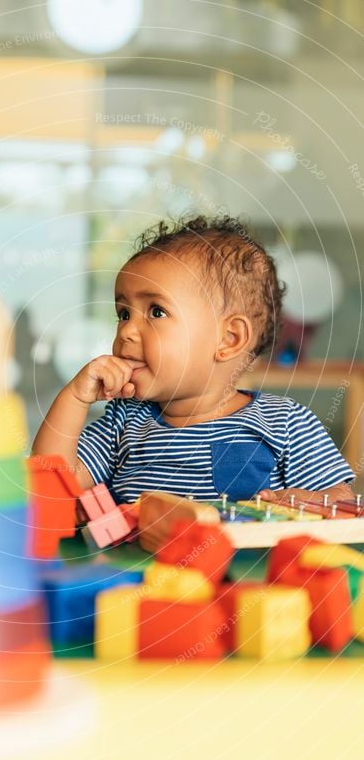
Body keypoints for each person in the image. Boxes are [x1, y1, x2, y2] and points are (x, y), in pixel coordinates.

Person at [32, 215, 355, 549]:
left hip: (247, 588)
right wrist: (74, 398)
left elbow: (341, 497)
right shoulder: (123, 421)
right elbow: (52, 485)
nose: (126, 330)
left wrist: (305, 501)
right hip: (138, 587)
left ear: (229, 338)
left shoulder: (286, 422)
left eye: (156, 311)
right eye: (123, 313)